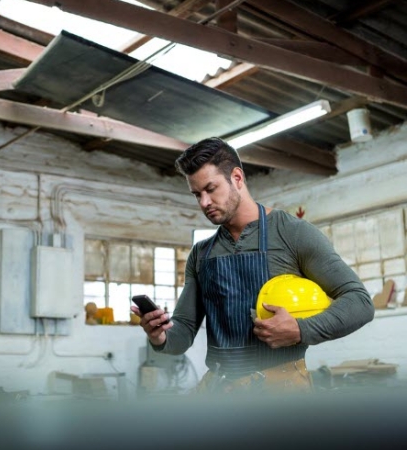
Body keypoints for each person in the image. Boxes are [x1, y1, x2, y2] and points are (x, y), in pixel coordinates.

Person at [131, 137, 375, 394]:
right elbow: (182, 333)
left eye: (211, 189)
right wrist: (160, 336)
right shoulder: (201, 254)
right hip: (220, 390)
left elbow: (360, 302)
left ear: (237, 178)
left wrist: (300, 330)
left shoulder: (293, 234)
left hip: (282, 391)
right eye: (197, 194)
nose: (204, 202)